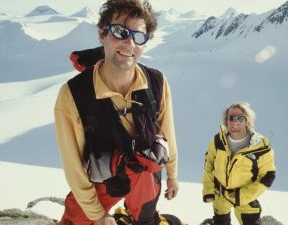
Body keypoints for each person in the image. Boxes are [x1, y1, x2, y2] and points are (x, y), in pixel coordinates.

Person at [54, 1, 179, 225]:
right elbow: (74, 167)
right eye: (120, 32)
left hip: (144, 171)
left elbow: (167, 132)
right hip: (102, 178)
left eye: (138, 36)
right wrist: (98, 215)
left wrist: (172, 175)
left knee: (145, 220)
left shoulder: (156, 82)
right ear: (103, 34)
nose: (129, 43)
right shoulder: (73, 95)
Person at [202, 102, 276, 225]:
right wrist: (208, 190)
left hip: (245, 199)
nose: (235, 122)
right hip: (220, 196)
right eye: (231, 118)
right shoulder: (217, 141)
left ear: (247, 120)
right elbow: (209, 164)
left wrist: (243, 195)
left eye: (240, 118)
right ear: (226, 121)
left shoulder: (259, 146)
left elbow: (268, 176)